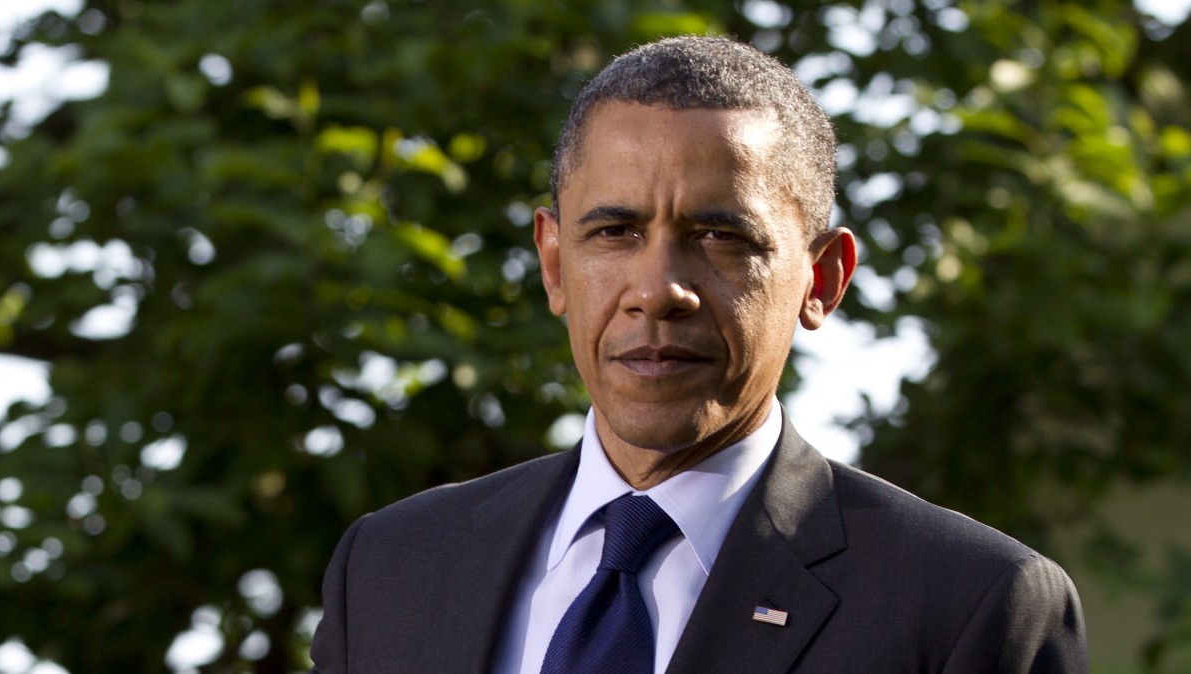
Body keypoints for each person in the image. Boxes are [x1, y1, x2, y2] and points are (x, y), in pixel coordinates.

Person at [310, 36, 1088, 673]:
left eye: (721, 237)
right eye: (614, 233)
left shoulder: (969, 606)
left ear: (821, 280)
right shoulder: (388, 570)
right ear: (553, 264)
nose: (658, 290)